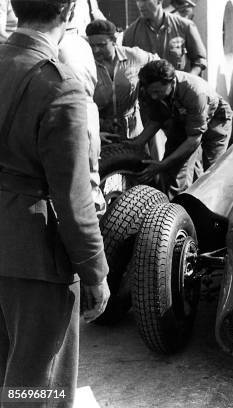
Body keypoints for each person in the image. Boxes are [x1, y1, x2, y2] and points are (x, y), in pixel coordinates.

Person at [0, 0, 110, 404]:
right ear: (68, 12)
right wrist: (96, 272)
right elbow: (74, 198)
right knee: (36, 387)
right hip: (36, 257)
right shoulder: (59, 84)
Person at [130, 59, 232, 199]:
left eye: (157, 91)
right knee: (174, 175)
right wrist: (136, 143)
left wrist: (162, 164)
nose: (153, 96)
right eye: (151, 92)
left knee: (213, 172)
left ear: (171, 83)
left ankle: (213, 211)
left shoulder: (194, 92)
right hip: (182, 121)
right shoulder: (149, 88)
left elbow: (193, 140)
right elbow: (156, 119)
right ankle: (184, 208)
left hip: (216, 120)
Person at [59, 19, 107, 218]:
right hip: (85, 113)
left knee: (83, 193)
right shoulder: (80, 44)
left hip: (72, 114)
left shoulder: (63, 46)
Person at [86, 19, 157, 139]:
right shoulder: (85, 63)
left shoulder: (134, 57)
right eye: (92, 45)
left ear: (114, 40)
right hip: (102, 132)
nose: (95, 50)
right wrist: (95, 135)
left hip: (133, 131)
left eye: (101, 45)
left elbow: (162, 68)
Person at [122, 0, 207, 75]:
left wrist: (187, 80)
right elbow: (126, 68)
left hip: (179, 89)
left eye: (144, 0)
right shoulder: (130, 34)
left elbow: (199, 61)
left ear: (159, 1)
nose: (140, 5)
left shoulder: (184, 26)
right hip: (148, 90)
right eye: (137, 0)